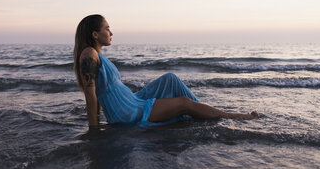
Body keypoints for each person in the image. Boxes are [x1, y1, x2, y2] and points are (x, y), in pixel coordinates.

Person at [74, 14, 259, 128]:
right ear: (95, 34)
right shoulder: (89, 54)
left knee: (170, 79)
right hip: (127, 112)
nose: (111, 33)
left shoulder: (95, 54)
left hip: (131, 100)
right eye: (107, 28)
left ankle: (202, 112)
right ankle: (226, 115)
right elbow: (91, 96)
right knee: (184, 103)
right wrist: (94, 129)